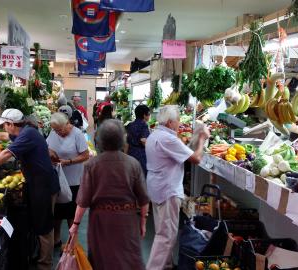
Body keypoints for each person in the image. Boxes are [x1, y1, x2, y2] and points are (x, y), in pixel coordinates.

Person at [0, 109, 60, 270]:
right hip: (37, 184)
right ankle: (39, 256)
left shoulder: (28, 135)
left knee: (44, 226)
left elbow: (6, 153)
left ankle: (45, 265)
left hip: (43, 186)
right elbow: (4, 137)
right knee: (39, 223)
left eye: (5, 124)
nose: (4, 128)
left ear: (11, 124)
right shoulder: (25, 131)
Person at [69, 120, 149, 270]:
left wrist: (75, 224)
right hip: (127, 221)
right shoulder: (133, 164)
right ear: (122, 139)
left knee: (102, 259)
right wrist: (143, 222)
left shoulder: (92, 165)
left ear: (100, 140)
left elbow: (83, 201)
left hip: (101, 223)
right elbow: (143, 198)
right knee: (127, 259)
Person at [145, 105, 210, 270]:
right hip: (167, 189)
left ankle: (166, 265)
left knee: (162, 229)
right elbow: (195, 158)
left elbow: (183, 151)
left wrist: (195, 137)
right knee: (166, 236)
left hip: (157, 187)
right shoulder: (168, 139)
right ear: (169, 122)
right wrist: (202, 139)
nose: (179, 123)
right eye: (177, 120)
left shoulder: (155, 134)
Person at [46, 112, 90, 248]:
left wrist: (69, 161)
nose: (58, 133)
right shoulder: (54, 133)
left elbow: (85, 155)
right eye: (55, 130)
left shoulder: (77, 134)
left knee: (72, 213)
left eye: (60, 129)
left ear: (67, 124)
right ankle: (56, 239)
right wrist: (50, 154)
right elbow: (46, 147)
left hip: (73, 180)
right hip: (58, 179)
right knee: (57, 212)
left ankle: (72, 243)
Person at [126, 104, 151, 175]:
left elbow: (127, 142)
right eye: (148, 114)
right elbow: (143, 141)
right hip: (140, 155)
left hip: (131, 152)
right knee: (141, 176)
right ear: (144, 115)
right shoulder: (144, 125)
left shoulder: (130, 125)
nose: (149, 116)